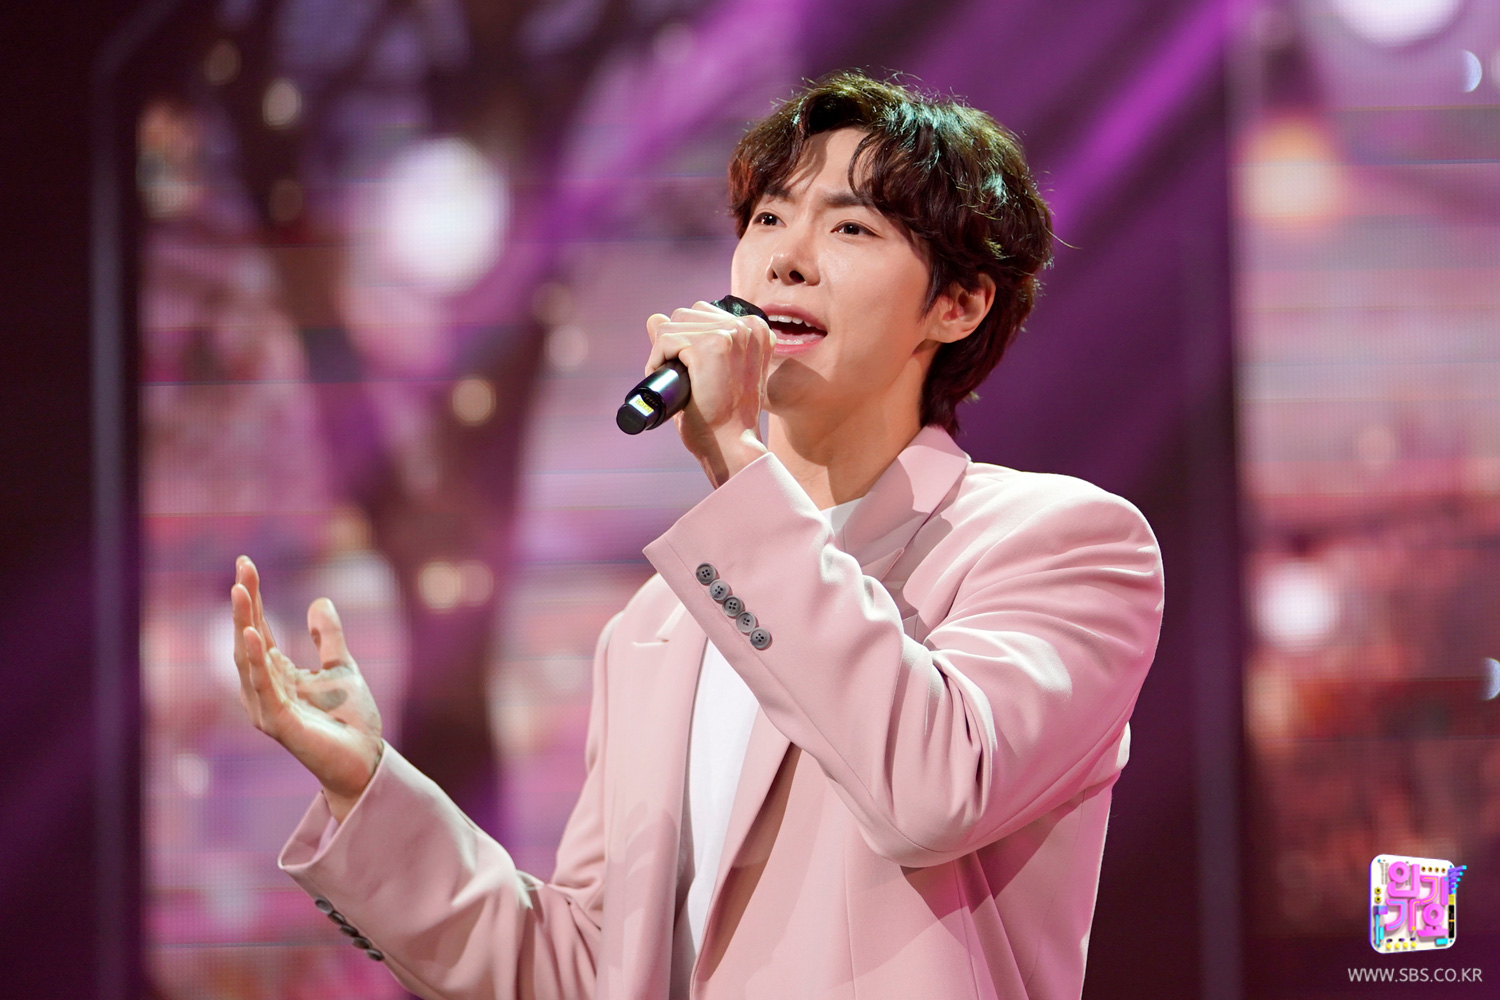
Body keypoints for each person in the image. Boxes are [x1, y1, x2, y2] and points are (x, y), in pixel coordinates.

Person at [231, 71, 1164, 1000]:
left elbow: (934, 790)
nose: (787, 259)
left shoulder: (1059, 545)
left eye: (849, 229)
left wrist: (734, 456)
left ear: (958, 304)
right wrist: (369, 790)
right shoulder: (655, 628)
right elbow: (590, 968)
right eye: (769, 218)